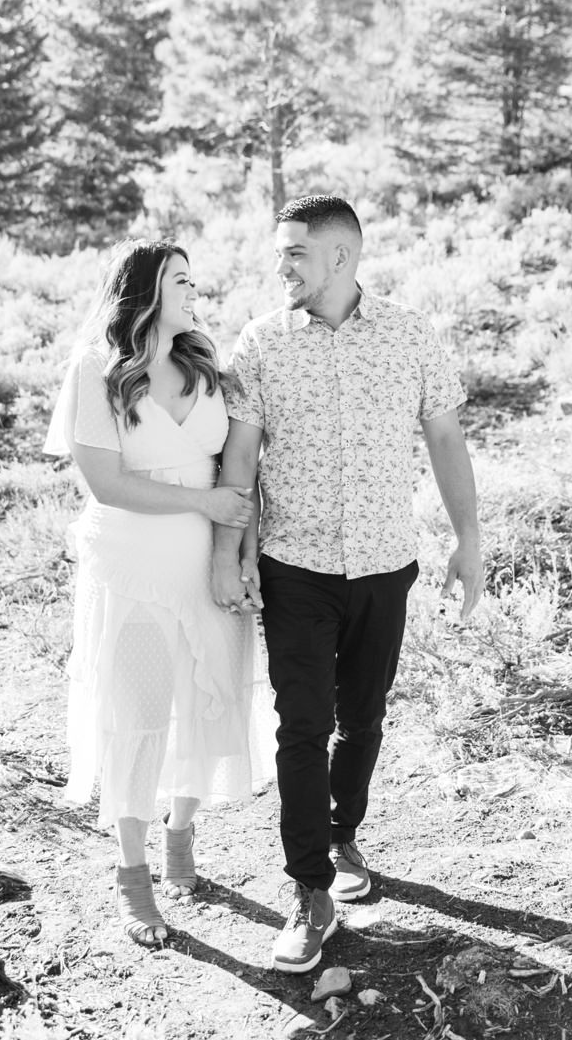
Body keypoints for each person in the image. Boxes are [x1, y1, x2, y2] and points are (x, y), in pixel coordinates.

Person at [210, 194, 482, 974]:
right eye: (279, 254)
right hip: (294, 568)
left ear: (340, 257)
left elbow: (444, 437)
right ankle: (309, 890)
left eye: (294, 253)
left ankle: (343, 831)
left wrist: (470, 540)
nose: (281, 267)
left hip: (383, 564)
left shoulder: (410, 335)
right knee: (301, 725)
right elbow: (240, 461)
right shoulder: (260, 343)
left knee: (362, 718)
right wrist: (229, 552)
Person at [46, 239, 273, 947]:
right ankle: (132, 874)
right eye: (180, 280)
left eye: (194, 280)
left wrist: (238, 554)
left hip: (206, 564)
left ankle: (182, 838)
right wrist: (202, 508)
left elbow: (241, 472)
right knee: (138, 715)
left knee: (204, 702)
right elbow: (105, 483)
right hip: (133, 565)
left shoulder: (208, 370)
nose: (194, 291)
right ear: (142, 291)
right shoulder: (96, 372)